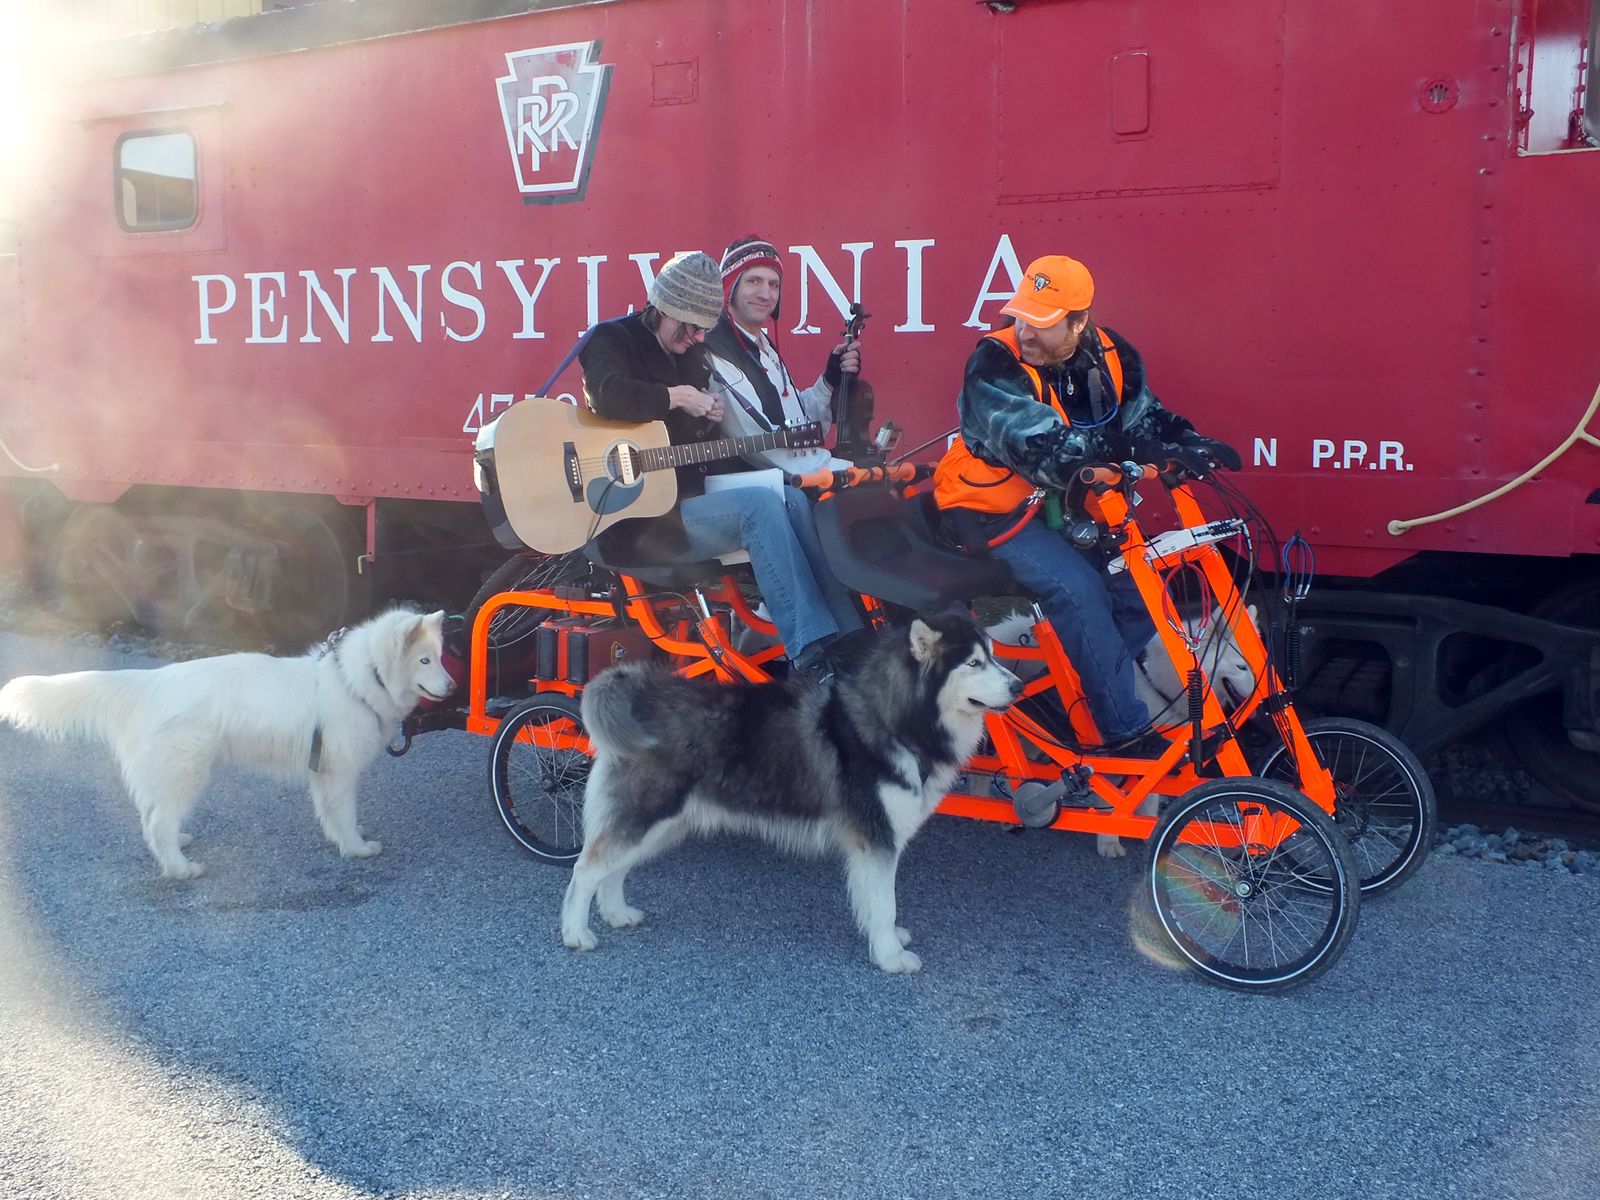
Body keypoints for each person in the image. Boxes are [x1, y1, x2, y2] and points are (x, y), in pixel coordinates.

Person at [933, 254, 1240, 746]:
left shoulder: (1112, 355)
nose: (1024, 332)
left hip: (1064, 509)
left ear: (1078, 322)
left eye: (1041, 323)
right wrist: (1135, 451)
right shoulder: (993, 364)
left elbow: (1144, 418)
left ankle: (1085, 695)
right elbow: (1045, 451)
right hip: (994, 511)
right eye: (1020, 317)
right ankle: (1125, 733)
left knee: (1138, 589)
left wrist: (1188, 440)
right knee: (1079, 592)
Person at [577, 250, 861, 678]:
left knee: (789, 498)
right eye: (691, 327)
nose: (697, 338)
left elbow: (684, 445)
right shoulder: (612, 338)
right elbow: (607, 393)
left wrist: (707, 418)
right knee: (758, 508)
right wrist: (677, 397)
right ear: (667, 308)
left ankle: (849, 638)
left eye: (703, 330)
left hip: (684, 496)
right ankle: (808, 655)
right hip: (638, 519)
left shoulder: (689, 354)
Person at [704, 235, 861, 474]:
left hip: (784, 476)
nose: (765, 294)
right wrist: (849, 470)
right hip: (750, 483)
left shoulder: (763, 346)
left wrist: (829, 381)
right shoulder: (718, 348)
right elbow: (761, 444)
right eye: (753, 281)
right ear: (730, 288)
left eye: (773, 285)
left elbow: (798, 429)